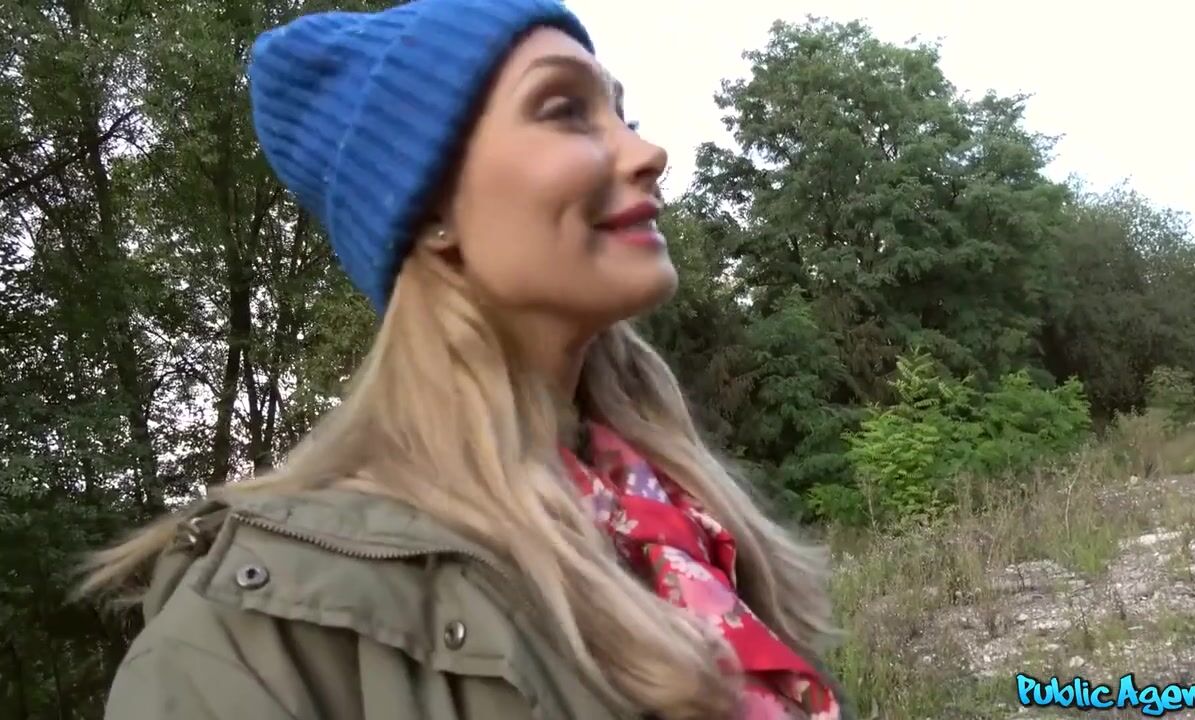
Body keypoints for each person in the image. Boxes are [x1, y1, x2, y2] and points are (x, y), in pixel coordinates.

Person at [80, 1, 846, 718]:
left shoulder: (682, 522)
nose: (648, 153)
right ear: (432, 210)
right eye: (564, 109)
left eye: (623, 114)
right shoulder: (249, 637)